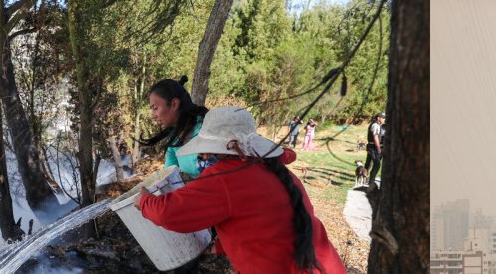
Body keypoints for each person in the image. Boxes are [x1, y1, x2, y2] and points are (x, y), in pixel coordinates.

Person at [136, 106, 348, 274]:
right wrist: (221, 246)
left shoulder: (226, 176)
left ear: (223, 146)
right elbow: (268, 224)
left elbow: (170, 212)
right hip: (324, 265)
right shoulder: (272, 168)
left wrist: (144, 201)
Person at [138, 76, 208, 179]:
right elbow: (168, 176)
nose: (153, 115)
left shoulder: (205, 130)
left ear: (174, 104)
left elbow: (215, 179)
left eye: (155, 108)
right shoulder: (174, 140)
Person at [364, 112, 384, 185]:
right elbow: (375, 137)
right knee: (377, 164)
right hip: (374, 147)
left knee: (369, 163)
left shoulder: (377, 124)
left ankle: (365, 178)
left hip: (372, 146)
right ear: (378, 118)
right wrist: (378, 148)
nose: (384, 119)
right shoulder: (375, 125)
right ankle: (371, 181)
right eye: (383, 118)